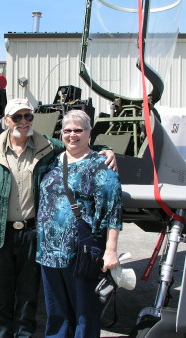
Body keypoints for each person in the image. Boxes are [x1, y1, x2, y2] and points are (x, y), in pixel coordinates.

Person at [0, 98, 117, 337]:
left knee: (28, 297)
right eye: (17, 117)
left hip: (33, 235)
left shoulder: (47, 147)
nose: (24, 122)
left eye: (28, 117)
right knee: (1, 296)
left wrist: (106, 149)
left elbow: (77, 145)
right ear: (6, 121)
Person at [36, 110, 123, 337]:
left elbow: (112, 211)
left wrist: (111, 250)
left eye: (78, 130)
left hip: (81, 254)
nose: (72, 135)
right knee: (56, 314)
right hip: (48, 253)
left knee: (84, 314)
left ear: (89, 134)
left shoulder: (100, 165)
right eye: (67, 130)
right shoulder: (52, 161)